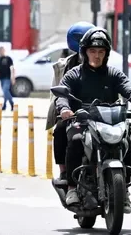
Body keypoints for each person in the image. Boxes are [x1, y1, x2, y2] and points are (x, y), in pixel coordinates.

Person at [56, 28, 131, 212]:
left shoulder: (113, 74)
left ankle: (125, 189)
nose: (96, 56)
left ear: (106, 54)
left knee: (125, 143)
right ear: (84, 52)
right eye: (92, 51)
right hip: (83, 122)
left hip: (109, 123)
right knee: (75, 141)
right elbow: (62, 93)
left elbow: (129, 90)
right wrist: (65, 108)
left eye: (101, 52)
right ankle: (72, 187)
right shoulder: (75, 74)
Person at [46, 22, 95, 177]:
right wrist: (64, 109)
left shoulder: (105, 67)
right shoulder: (67, 68)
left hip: (99, 114)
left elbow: (120, 88)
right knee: (60, 130)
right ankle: (65, 174)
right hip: (73, 113)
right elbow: (59, 94)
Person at [0, 47, 15, 111]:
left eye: (2, 50)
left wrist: (13, 77)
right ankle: (6, 104)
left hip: (7, 77)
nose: (1, 52)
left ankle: (11, 103)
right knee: (5, 92)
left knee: (5, 90)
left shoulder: (8, 58)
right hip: (1, 77)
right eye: (0, 50)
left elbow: (12, 68)